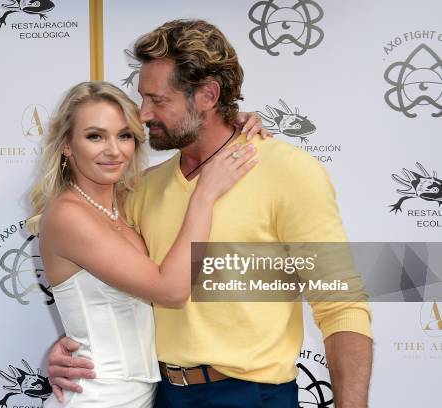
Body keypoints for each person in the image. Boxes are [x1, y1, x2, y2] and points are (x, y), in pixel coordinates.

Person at [47, 19, 374, 408]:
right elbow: (117, 284)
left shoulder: (288, 172)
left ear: (207, 95)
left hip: (249, 395)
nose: (144, 114)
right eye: (143, 98)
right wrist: (73, 347)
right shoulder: (142, 189)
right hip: (160, 394)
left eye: (159, 100)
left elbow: (342, 306)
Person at [29, 81, 262, 407]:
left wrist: (228, 124)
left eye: (124, 135)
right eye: (95, 136)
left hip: (144, 394)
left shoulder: (126, 202)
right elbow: (171, 291)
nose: (114, 150)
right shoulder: (68, 216)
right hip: (95, 397)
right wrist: (204, 196)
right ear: (67, 145)